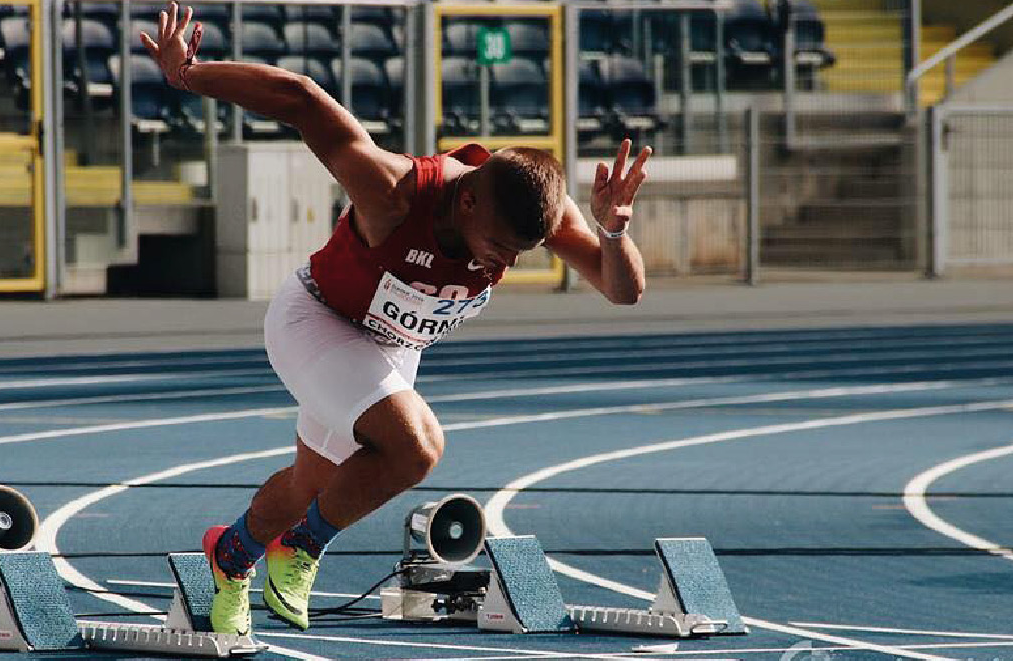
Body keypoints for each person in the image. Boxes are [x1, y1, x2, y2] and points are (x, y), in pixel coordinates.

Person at [141, 2, 651, 636]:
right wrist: (187, 74)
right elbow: (300, 98)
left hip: (390, 348)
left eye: (519, 253)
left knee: (311, 483)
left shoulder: (533, 210)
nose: (504, 262)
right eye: (497, 246)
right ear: (466, 200)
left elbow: (621, 290)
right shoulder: (394, 192)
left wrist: (611, 230)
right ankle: (301, 550)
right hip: (317, 322)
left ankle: (234, 555)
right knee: (417, 447)